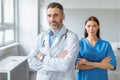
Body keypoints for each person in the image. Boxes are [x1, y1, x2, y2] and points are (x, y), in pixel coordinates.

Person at [27, 2, 79, 80]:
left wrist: (42, 58)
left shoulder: (72, 37)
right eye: (49, 16)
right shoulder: (41, 36)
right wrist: (57, 60)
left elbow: (65, 65)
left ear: (63, 16)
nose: (52, 19)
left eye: (56, 15)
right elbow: (31, 61)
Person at [75, 16, 116, 80]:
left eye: (94, 26)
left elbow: (112, 66)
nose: (91, 29)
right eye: (88, 26)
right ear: (85, 27)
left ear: (98, 27)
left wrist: (89, 63)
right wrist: (101, 64)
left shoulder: (106, 45)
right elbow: (77, 66)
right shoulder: (79, 44)